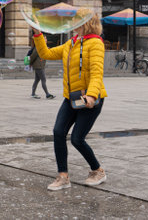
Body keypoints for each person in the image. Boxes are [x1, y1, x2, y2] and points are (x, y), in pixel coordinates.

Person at [32, 14, 108, 191]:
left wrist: (91, 95)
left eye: (77, 19)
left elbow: (97, 73)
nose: (72, 22)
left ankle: (98, 171)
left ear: (86, 23)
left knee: (77, 139)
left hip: (90, 99)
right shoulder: (71, 42)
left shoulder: (96, 43)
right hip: (71, 98)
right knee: (58, 132)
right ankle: (63, 176)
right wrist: (38, 34)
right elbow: (46, 53)